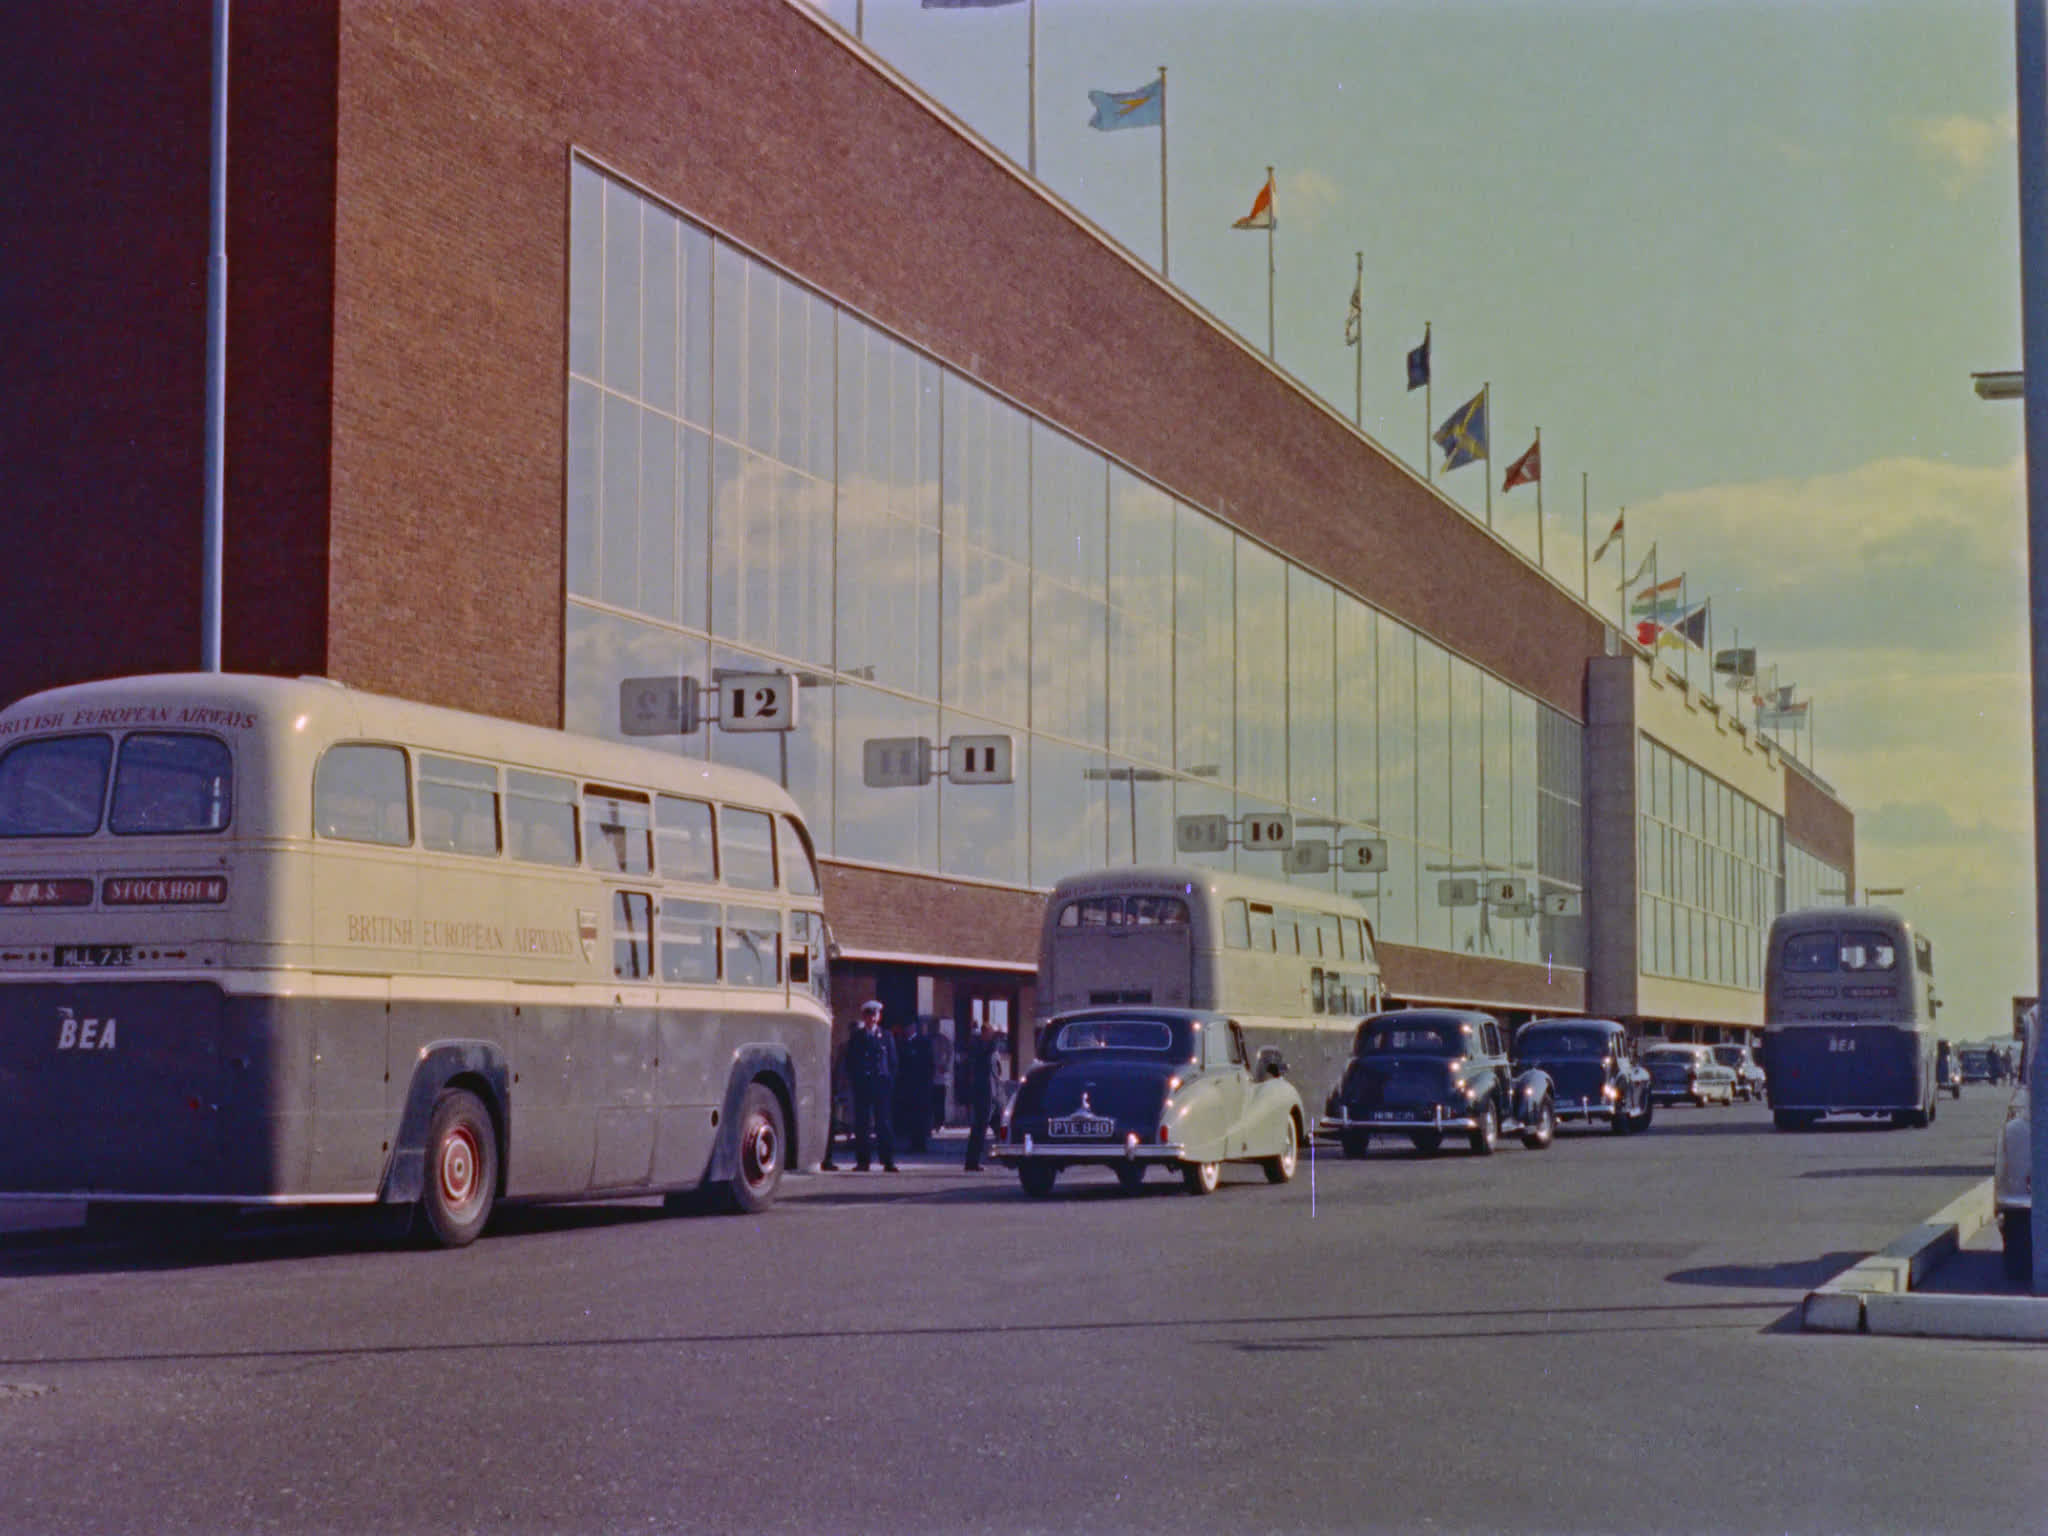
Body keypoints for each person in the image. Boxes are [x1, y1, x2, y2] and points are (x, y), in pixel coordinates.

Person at [845, 1000, 898, 1172]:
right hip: (863, 1084)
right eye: (869, 1015)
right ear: (864, 1017)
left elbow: (893, 1061)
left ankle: (888, 1160)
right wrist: (855, 1081)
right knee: (863, 1124)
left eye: (875, 1015)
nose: (872, 1019)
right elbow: (851, 1062)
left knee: (884, 1123)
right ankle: (863, 1161)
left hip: (881, 1083)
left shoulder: (887, 1036)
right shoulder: (857, 1037)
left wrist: (890, 1081)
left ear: (879, 1017)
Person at [962, 1016, 1001, 1172]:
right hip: (983, 1094)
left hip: (993, 1094)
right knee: (980, 1128)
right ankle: (972, 1162)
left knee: (999, 1126)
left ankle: (1008, 1156)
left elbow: (996, 1071)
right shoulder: (980, 1047)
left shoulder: (990, 1049)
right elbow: (984, 1058)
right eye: (989, 1033)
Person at [897, 1024, 934, 1153]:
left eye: (909, 1027)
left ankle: (921, 1144)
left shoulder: (923, 1043)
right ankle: (913, 1143)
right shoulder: (902, 1043)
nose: (906, 1030)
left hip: (921, 1086)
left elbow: (929, 1064)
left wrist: (927, 1083)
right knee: (910, 1116)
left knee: (921, 1116)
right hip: (907, 1087)